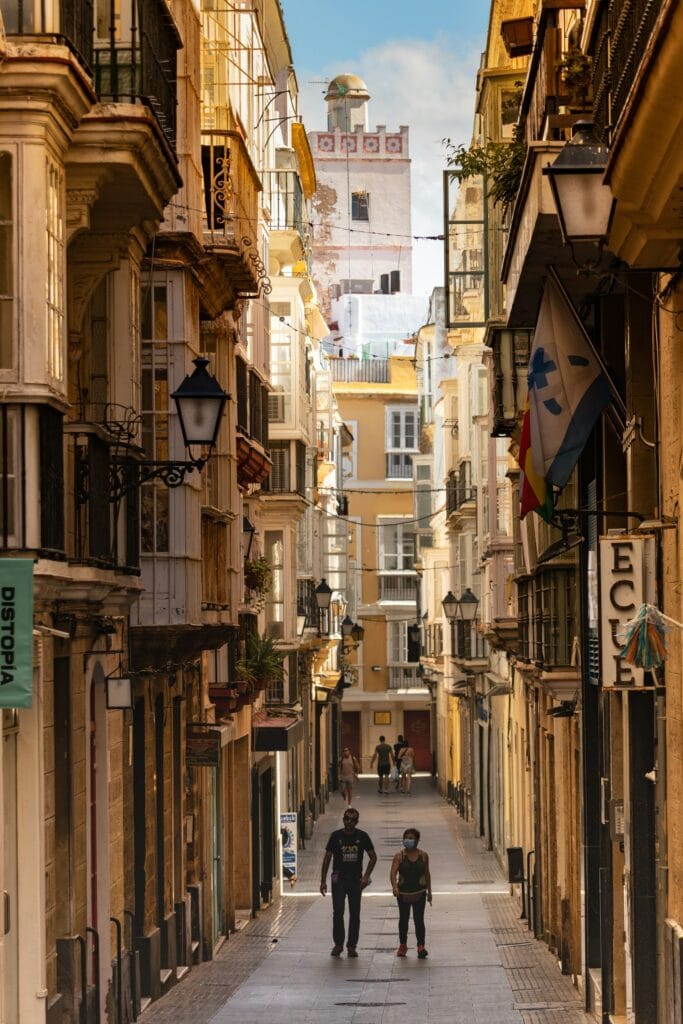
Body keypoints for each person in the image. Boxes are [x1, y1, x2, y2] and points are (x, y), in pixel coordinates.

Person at [320, 807, 377, 957]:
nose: (349, 822)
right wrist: (323, 881)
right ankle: (338, 944)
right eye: (346, 818)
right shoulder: (335, 836)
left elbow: (373, 857)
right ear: (343, 820)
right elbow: (327, 858)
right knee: (338, 911)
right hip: (338, 878)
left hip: (355, 879)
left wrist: (365, 877)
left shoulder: (362, 836)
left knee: (354, 913)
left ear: (357, 822)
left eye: (352, 819)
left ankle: (352, 945)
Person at [390, 826, 432, 958]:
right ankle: (403, 945)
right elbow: (393, 872)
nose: (407, 840)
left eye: (411, 838)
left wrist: (430, 892)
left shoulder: (423, 856)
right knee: (403, 919)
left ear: (417, 840)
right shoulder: (399, 856)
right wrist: (395, 887)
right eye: (406, 838)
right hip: (403, 894)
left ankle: (421, 946)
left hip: (420, 893)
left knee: (419, 920)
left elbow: (427, 873)